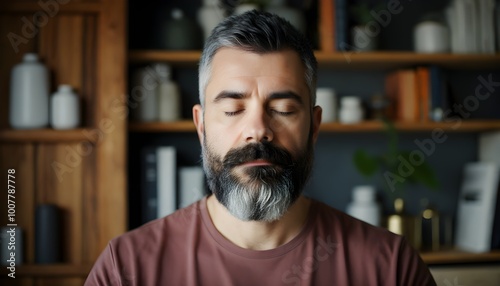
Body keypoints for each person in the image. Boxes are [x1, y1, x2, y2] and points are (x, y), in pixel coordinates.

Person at [85, 11, 436, 286]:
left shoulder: (391, 268)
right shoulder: (125, 270)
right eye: (232, 110)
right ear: (201, 124)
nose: (258, 130)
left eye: (282, 110)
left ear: (314, 126)